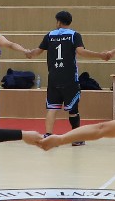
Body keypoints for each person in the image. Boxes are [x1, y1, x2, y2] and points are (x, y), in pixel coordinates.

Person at [18, 11, 109, 139]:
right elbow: (81, 51)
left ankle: (48, 135)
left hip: (54, 78)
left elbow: (36, 52)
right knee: (73, 110)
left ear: (59, 22)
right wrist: (100, 55)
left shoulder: (50, 35)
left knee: (52, 108)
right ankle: (76, 138)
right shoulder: (74, 35)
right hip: (69, 78)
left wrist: (28, 53)